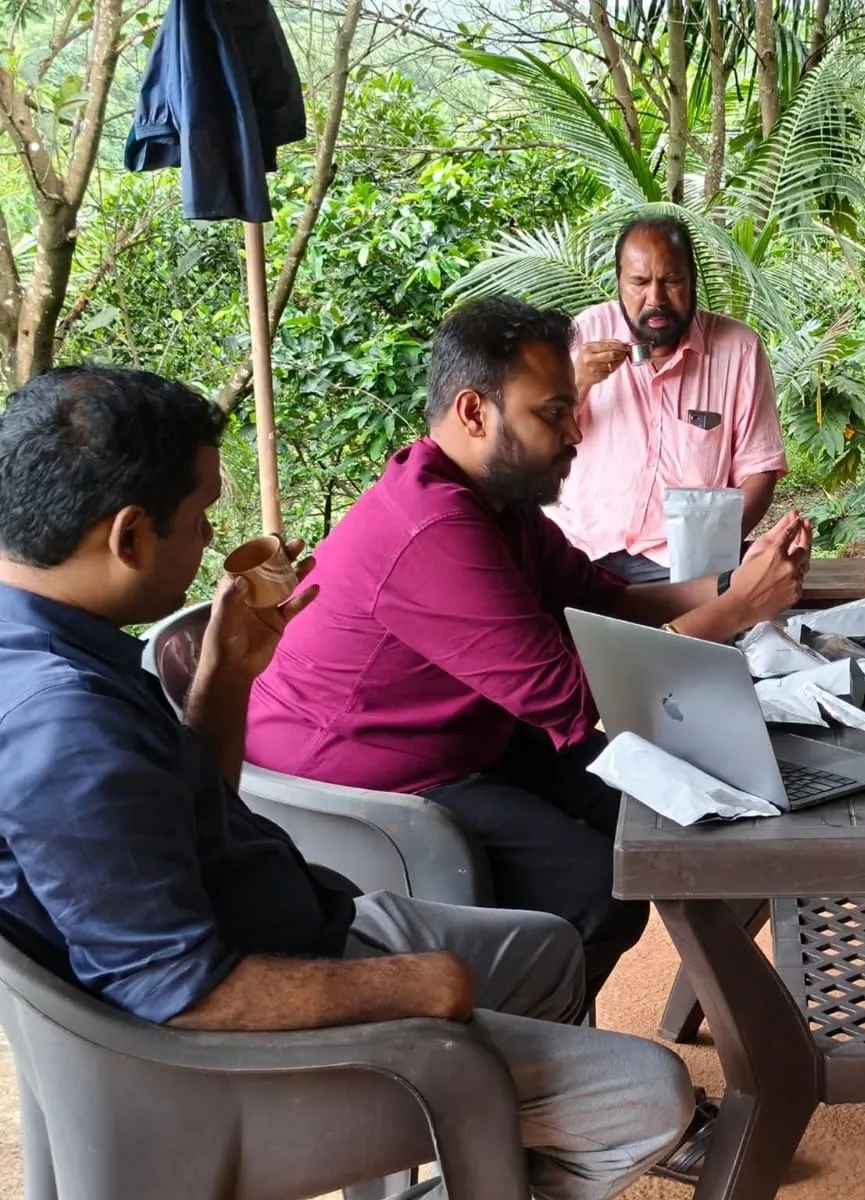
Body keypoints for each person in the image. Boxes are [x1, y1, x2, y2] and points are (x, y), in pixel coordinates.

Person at [0, 366, 695, 1200]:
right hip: (221, 1060)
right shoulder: (62, 729)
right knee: (648, 1097)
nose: (212, 537)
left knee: (547, 950)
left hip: (290, 921)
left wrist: (225, 680)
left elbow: (189, 820)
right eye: (200, 517)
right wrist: (417, 987)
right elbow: (177, 991)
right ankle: (465, 1113)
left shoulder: (50, 641)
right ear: (129, 537)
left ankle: (480, 1136)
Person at [247, 297, 811, 1004]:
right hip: (362, 778)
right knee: (594, 889)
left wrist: (732, 582)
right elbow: (571, 694)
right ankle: (518, 1050)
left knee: (653, 803)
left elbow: (604, 599)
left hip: (460, 741)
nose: (575, 430)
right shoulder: (434, 528)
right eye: (553, 413)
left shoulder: (496, 501)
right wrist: (737, 611)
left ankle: (562, 1025)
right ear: (474, 412)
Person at [549, 215, 789, 583]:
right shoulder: (585, 334)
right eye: (639, 283)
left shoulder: (738, 349)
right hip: (579, 549)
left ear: (693, 281)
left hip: (681, 564)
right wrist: (578, 382)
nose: (656, 299)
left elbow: (759, 470)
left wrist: (710, 551)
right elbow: (538, 440)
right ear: (619, 283)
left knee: (746, 595)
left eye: (672, 281)